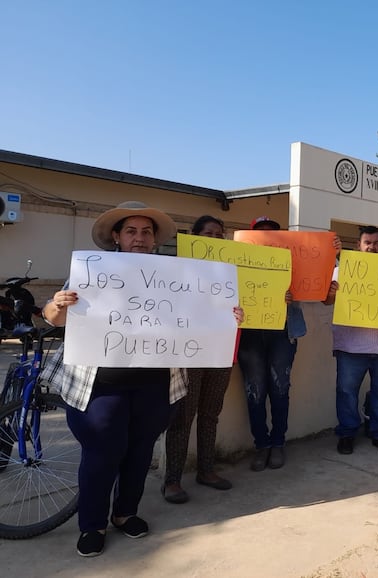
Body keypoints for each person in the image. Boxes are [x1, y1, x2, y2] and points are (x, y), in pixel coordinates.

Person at [40, 201, 186, 557]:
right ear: (117, 237)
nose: (140, 238)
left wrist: (227, 315)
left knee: (139, 453)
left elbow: (197, 318)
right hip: (98, 387)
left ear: (154, 240)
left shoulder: (176, 278)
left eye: (146, 232)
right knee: (102, 454)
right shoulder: (91, 272)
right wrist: (57, 305)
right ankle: (93, 525)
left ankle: (125, 513)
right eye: (132, 231)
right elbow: (52, 318)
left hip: (154, 385)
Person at [238, 215, 341, 471]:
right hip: (249, 332)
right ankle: (261, 444)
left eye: (271, 233)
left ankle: (278, 443)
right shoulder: (238, 261)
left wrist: (333, 252)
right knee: (255, 392)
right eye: (260, 234)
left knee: (280, 389)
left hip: (284, 330)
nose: (266, 239)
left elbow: (322, 281)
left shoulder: (293, 259)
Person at [162, 215, 243, 503]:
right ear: (195, 237)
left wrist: (240, 314)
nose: (215, 239)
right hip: (189, 352)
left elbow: (247, 304)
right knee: (183, 416)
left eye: (220, 235)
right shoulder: (178, 271)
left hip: (221, 351)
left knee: (211, 413)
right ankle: (172, 480)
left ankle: (206, 471)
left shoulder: (232, 273)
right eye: (208, 233)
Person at [324, 226, 378, 455]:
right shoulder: (340, 271)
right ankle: (347, 434)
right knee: (346, 391)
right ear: (359, 245)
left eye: (376, 243)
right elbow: (326, 302)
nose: (372, 247)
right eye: (367, 242)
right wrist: (332, 293)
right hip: (351, 345)